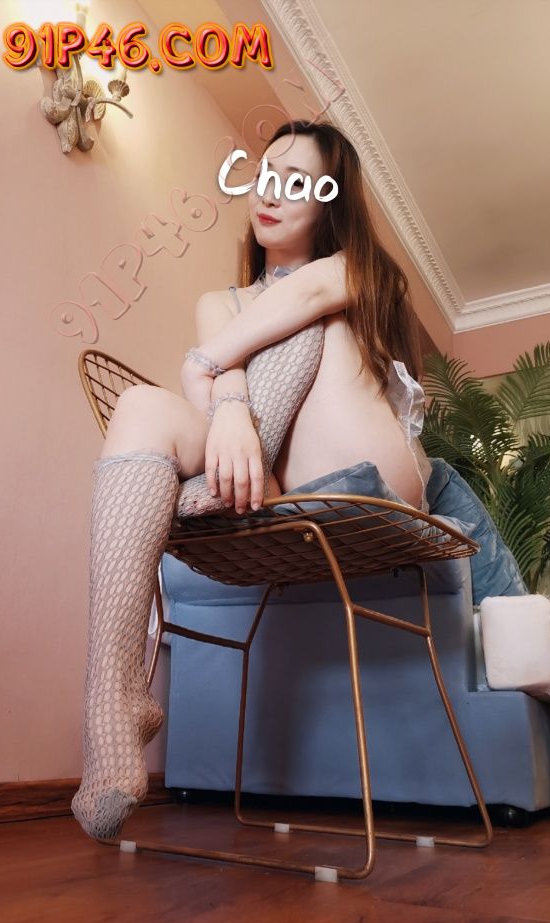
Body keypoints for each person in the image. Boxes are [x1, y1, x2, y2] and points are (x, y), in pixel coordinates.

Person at [71, 119, 432, 841]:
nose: (271, 192)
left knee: (302, 309)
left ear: (330, 204)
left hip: (362, 479)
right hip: (260, 477)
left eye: (298, 183)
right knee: (140, 406)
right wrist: (231, 402)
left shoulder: (359, 271)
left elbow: (283, 314)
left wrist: (213, 370)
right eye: (266, 175)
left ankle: (212, 482)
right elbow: (218, 379)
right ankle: (113, 706)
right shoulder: (220, 302)